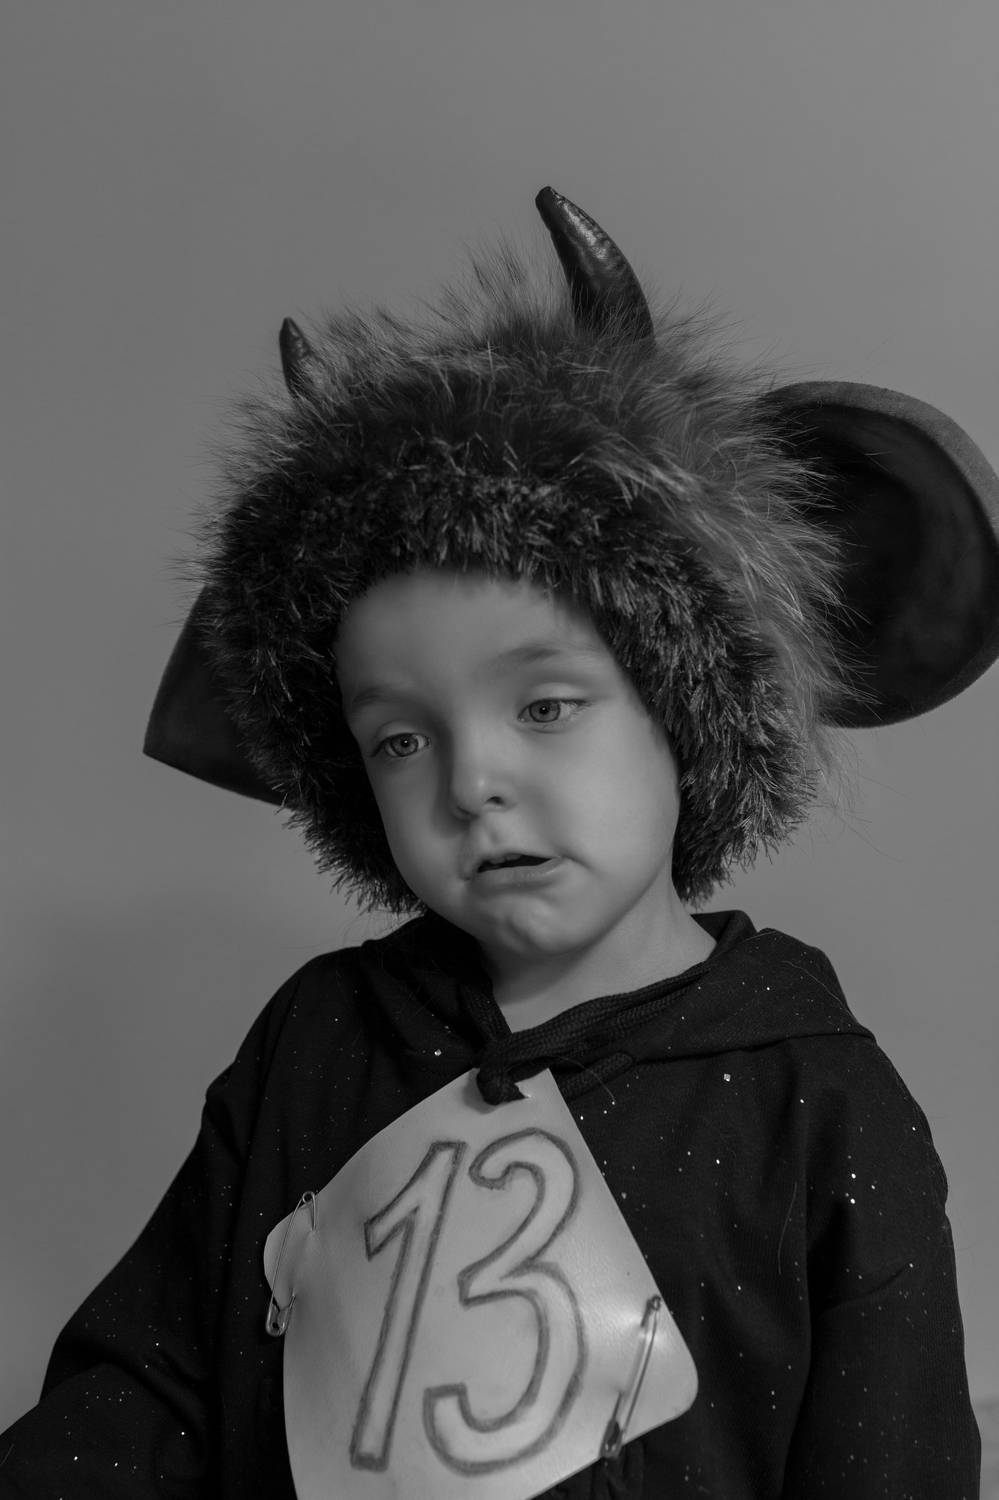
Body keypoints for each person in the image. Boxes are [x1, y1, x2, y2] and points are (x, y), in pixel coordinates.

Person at [1, 186, 993, 1498]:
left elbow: (893, 1463)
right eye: (401, 739)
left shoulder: (818, 1104)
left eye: (545, 707)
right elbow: (155, 1381)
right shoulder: (318, 1041)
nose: (473, 783)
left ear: (687, 711)